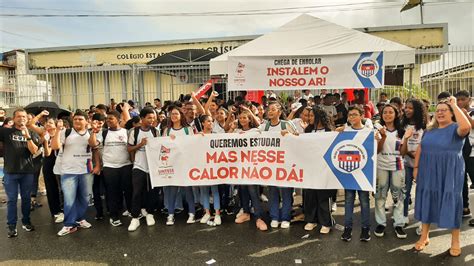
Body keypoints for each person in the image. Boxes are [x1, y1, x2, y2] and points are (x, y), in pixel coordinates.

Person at [413, 96, 471, 257]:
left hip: (450, 171)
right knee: (428, 200)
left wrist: (453, 104)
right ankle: (424, 236)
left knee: (452, 201)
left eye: (444, 110)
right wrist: (416, 167)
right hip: (428, 170)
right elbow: (421, 148)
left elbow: (466, 126)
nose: (440, 113)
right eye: (437, 110)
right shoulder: (430, 130)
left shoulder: (456, 128)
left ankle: (455, 241)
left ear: (452, 113)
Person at [51, 110, 100, 236]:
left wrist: (93, 132)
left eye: (80, 119)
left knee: (84, 197)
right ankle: (69, 224)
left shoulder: (91, 132)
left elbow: (93, 145)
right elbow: (55, 146)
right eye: (76, 119)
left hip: (86, 170)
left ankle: (80, 219)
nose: (77, 121)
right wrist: (57, 130)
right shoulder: (65, 132)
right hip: (68, 171)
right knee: (69, 199)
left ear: (86, 121)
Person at [1, 108, 40, 238]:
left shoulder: (32, 133)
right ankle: (11, 226)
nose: (22, 118)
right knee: (12, 200)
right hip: (10, 172)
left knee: (26, 199)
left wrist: (27, 136)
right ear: (14, 118)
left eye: (24, 116)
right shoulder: (6, 131)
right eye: (19, 116)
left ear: (27, 118)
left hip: (27, 172)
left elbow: (34, 151)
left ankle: (26, 221)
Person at [90, 110, 133, 227]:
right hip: (109, 167)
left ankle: (132, 212)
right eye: (107, 119)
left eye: (111, 118)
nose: (108, 121)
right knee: (112, 193)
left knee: (128, 191)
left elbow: (131, 148)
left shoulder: (126, 132)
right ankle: (114, 217)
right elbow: (93, 145)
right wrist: (94, 132)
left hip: (126, 165)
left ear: (118, 120)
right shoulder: (103, 133)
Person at [258, 101, 297, 229]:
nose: (270, 111)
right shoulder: (265, 126)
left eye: (273, 109)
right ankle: (274, 217)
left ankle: (285, 217)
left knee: (286, 192)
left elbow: (298, 138)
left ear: (279, 112)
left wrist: (289, 135)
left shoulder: (287, 124)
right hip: (271, 165)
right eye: (268, 109)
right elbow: (255, 136)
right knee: (273, 192)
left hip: (286, 164)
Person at [336, 106, 371, 242]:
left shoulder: (368, 131)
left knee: (364, 201)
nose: (351, 117)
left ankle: (365, 228)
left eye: (355, 115)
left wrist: (378, 137)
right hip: (349, 172)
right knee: (348, 200)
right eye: (349, 115)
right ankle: (347, 228)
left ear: (362, 116)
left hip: (364, 173)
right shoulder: (345, 130)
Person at [373, 104, 408, 239]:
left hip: (398, 166)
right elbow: (377, 151)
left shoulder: (402, 131)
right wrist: (383, 137)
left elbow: (403, 153)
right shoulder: (378, 130)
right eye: (385, 112)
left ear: (396, 114)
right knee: (380, 195)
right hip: (381, 166)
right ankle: (380, 223)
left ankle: (398, 224)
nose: (387, 115)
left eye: (390, 112)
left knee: (398, 196)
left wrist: (408, 139)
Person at [231, 111, 267, 231]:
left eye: (245, 117)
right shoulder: (236, 132)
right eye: (240, 118)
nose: (242, 119)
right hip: (240, 167)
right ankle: (246, 213)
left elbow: (261, 128)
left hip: (252, 166)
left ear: (250, 119)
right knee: (243, 191)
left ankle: (259, 217)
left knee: (253, 192)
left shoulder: (255, 132)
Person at [27, 110, 64, 224]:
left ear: (56, 124)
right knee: (51, 187)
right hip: (49, 160)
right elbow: (30, 125)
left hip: (61, 160)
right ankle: (56, 211)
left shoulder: (61, 132)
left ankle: (65, 208)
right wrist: (40, 114)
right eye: (47, 123)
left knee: (63, 186)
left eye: (51, 123)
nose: (48, 125)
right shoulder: (44, 132)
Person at [303, 107, 335, 234]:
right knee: (310, 195)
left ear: (319, 117)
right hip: (310, 169)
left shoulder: (329, 131)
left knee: (323, 196)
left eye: (311, 116)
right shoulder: (308, 130)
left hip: (324, 169)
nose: (309, 118)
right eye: (308, 116)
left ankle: (326, 222)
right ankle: (311, 220)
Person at [162, 105, 196, 226]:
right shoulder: (167, 130)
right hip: (172, 164)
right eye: (172, 114)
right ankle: (170, 214)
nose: (174, 116)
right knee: (172, 190)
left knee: (188, 190)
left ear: (181, 115)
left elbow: (193, 145)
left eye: (176, 114)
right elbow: (163, 147)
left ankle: (192, 213)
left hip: (185, 164)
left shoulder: (188, 129)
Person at [127, 107, 158, 231]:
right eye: (149, 117)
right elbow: (129, 148)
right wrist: (140, 145)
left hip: (152, 167)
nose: (152, 120)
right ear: (142, 118)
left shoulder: (156, 131)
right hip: (139, 166)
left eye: (153, 117)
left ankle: (150, 214)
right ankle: (135, 217)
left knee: (151, 192)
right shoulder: (134, 131)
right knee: (136, 192)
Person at [400, 99, 427, 225]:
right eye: (406, 107)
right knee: (405, 191)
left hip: (422, 164)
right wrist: (410, 153)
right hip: (406, 163)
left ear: (417, 110)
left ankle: (421, 218)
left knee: (421, 192)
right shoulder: (402, 125)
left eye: (410, 108)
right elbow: (400, 146)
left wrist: (419, 155)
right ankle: (404, 215)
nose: (407, 110)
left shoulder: (426, 126)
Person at [197, 115, 222, 225]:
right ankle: (207, 213)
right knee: (204, 191)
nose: (210, 123)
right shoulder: (197, 135)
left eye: (212, 121)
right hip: (202, 167)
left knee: (215, 190)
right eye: (208, 121)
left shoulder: (216, 136)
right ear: (202, 123)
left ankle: (217, 214)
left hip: (214, 167)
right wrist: (196, 138)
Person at [455, 90, 474, 218]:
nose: (460, 102)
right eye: (458, 100)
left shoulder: (472, 112)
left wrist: (465, 115)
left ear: (469, 99)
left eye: (463, 99)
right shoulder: (455, 114)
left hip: (472, 153)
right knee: (461, 182)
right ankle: (465, 208)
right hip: (460, 152)